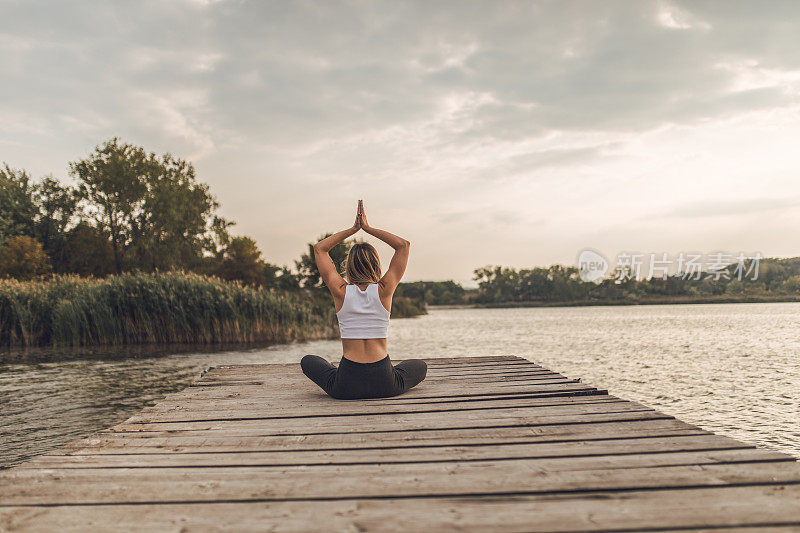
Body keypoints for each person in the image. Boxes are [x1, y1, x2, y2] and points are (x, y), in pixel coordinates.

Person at [300, 200, 427, 399]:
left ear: (349, 266)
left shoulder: (340, 291)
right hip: (385, 381)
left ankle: (338, 375)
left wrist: (353, 229)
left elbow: (320, 249)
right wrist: (368, 228)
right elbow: (403, 246)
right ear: (376, 265)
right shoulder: (384, 290)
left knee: (309, 360)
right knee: (420, 366)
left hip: (347, 384)